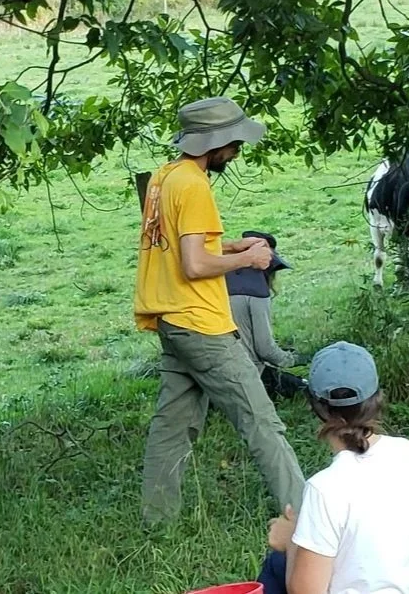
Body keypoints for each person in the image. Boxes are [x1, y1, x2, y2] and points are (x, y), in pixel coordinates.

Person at [135, 96, 306, 525]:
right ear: (216, 142)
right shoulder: (193, 186)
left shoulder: (165, 177)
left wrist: (231, 245)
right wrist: (250, 260)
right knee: (261, 421)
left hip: (172, 318)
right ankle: (308, 520)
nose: (237, 151)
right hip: (201, 325)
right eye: (234, 143)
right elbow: (195, 265)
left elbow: (182, 246)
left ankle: (158, 522)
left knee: (171, 427)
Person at [258, 342, 409, 594]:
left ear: (316, 406)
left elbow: (306, 592)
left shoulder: (324, 488)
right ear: (377, 397)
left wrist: (290, 542)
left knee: (277, 563)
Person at [225, 230, 305, 400]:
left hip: (213, 375)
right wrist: (291, 359)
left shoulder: (219, 283)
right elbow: (265, 349)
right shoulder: (257, 292)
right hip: (247, 377)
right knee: (302, 388)